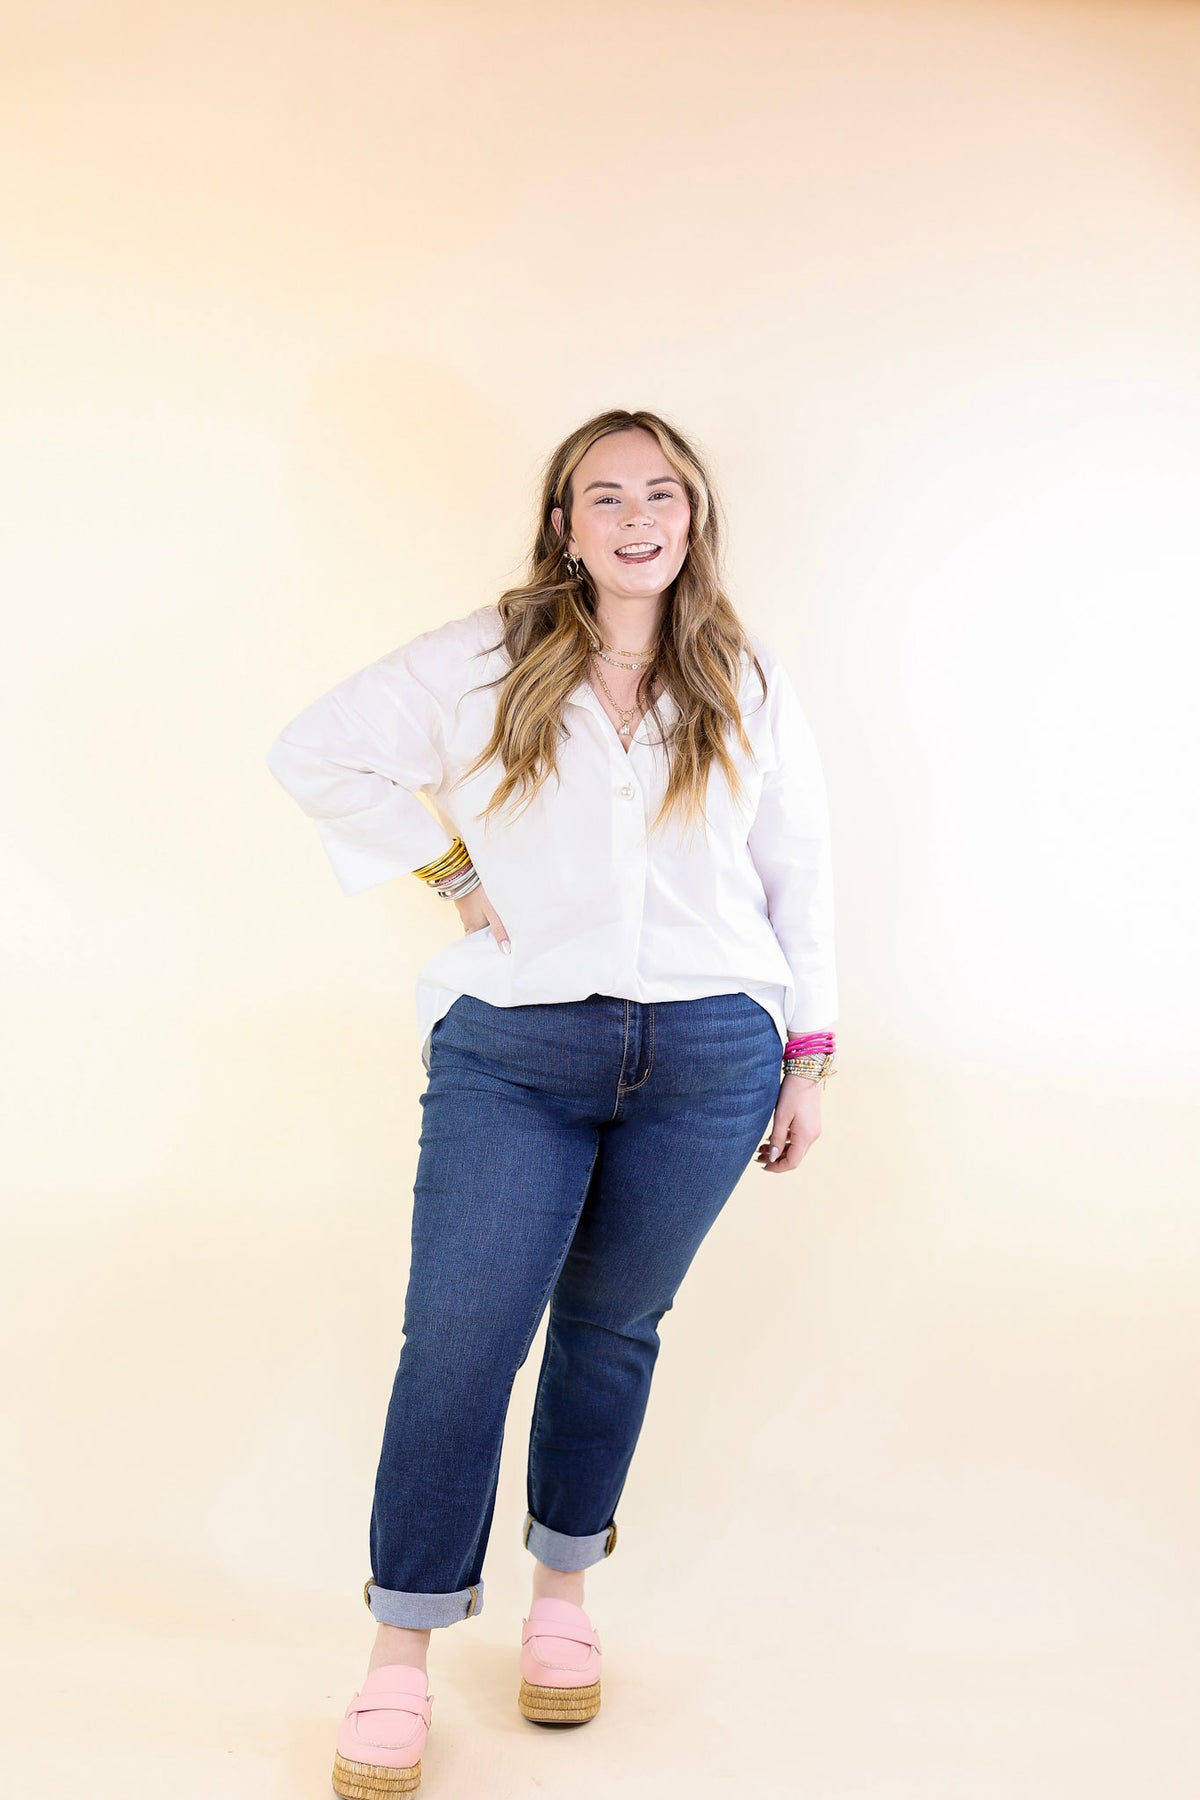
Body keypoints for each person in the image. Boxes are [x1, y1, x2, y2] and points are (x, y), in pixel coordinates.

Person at [265, 407, 839, 1797]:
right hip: (515, 1051)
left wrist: (809, 1054)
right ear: (565, 525)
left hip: (712, 1054)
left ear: (694, 518)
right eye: (607, 496)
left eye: (663, 493)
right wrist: (452, 877)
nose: (639, 518)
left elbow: (798, 863)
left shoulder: (742, 671)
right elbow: (315, 750)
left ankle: (563, 1601)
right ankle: (398, 1657)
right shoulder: (484, 657)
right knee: (461, 1345)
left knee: (612, 1330)